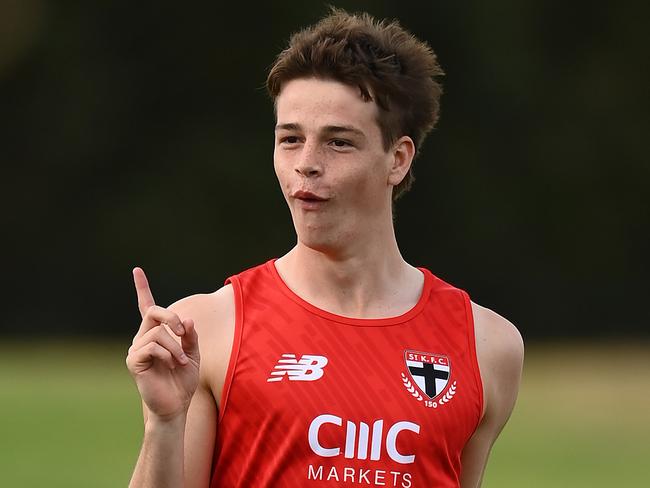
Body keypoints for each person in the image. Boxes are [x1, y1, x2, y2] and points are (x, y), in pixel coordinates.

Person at [126, 8, 524, 488]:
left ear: (397, 159)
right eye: (290, 139)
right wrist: (164, 424)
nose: (306, 165)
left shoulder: (486, 347)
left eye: (338, 143)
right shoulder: (209, 329)